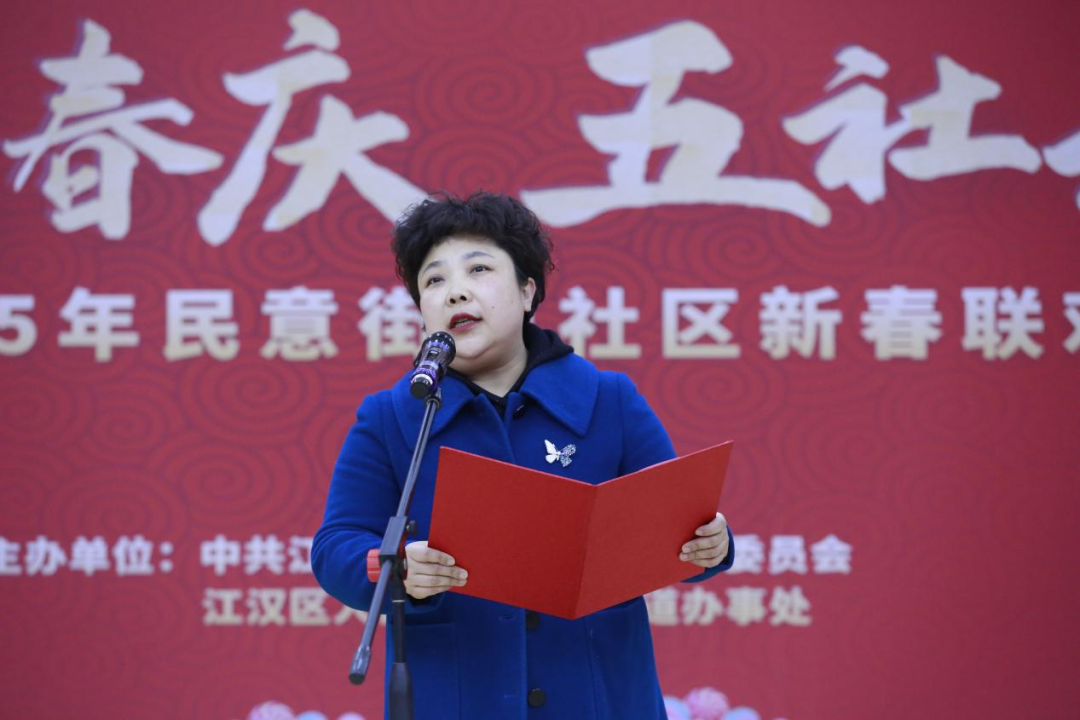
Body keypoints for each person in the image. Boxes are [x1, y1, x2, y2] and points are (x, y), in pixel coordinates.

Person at [312, 191, 734, 720]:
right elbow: (336, 546)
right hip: (456, 699)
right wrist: (396, 568)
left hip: (599, 698)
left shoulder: (610, 401)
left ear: (527, 290)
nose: (455, 291)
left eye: (479, 269)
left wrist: (710, 544)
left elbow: (678, 527)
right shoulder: (393, 417)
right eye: (434, 281)